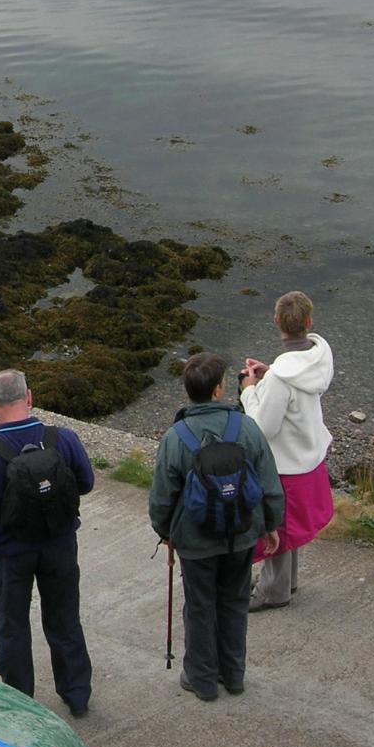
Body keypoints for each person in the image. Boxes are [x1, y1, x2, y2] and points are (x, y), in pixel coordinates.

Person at [0, 369, 95, 717]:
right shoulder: (63, 439)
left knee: (12, 627)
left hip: (8, 553)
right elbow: (86, 483)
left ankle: (21, 704)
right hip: (59, 544)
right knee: (65, 619)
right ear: (29, 397)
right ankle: (77, 694)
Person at [149, 353, 284, 701]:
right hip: (241, 534)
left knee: (199, 605)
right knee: (235, 602)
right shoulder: (247, 428)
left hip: (195, 540)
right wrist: (270, 525)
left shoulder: (176, 437)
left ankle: (202, 679)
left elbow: (163, 496)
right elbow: (269, 482)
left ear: (189, 391)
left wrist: (165, 532)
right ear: (219, 390)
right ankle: (234, 675)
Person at [240, 290, 334, 611]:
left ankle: (274, 591)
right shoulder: (317, 359)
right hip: (310, 456)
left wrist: (250, 391)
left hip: (286, 465)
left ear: (276, 321)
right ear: (309, 321)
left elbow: (263, 428)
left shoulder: (283, 375)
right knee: (291, 527)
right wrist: (268, 379)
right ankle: (287, 581)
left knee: (278, 528)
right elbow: (294, 388)